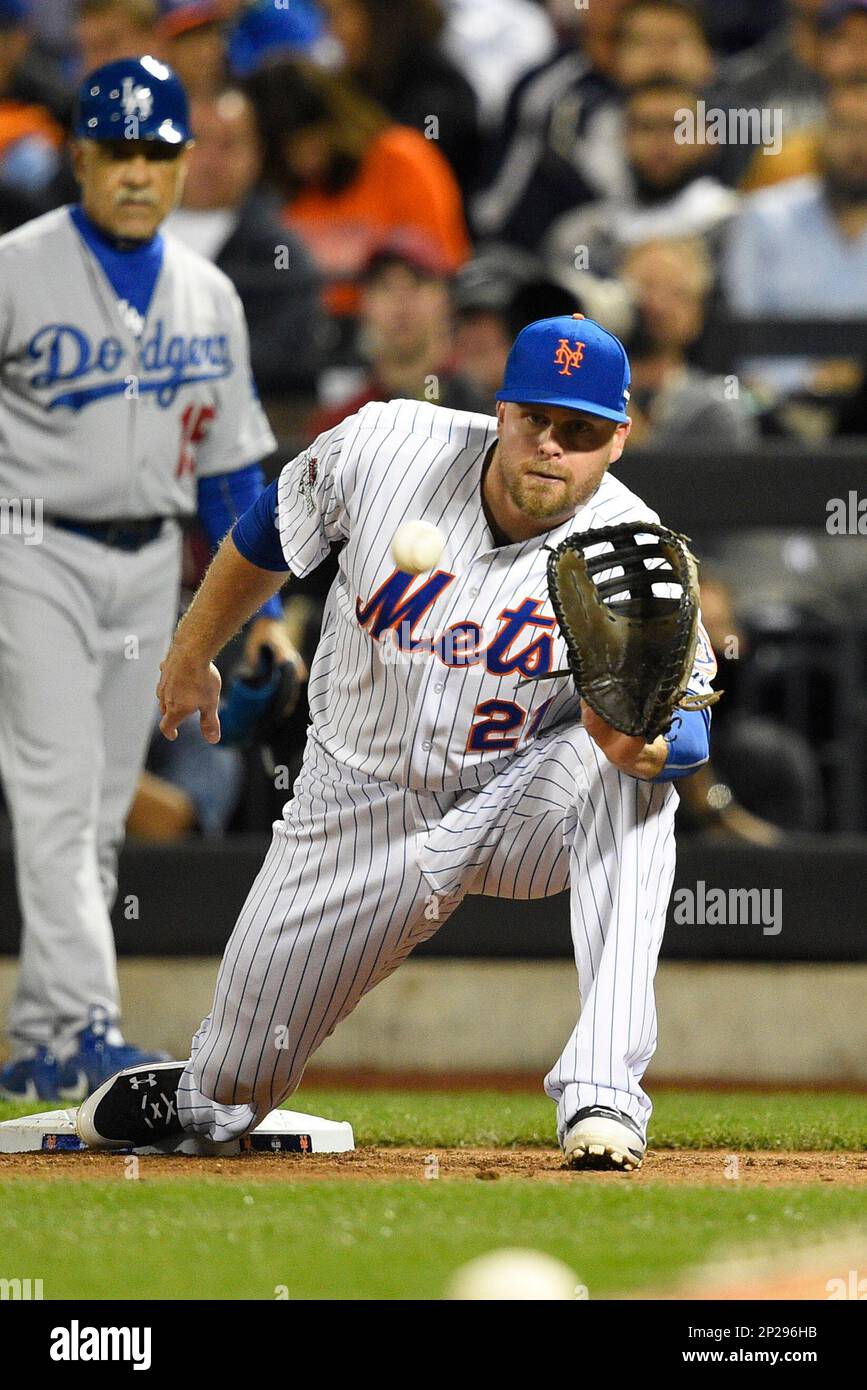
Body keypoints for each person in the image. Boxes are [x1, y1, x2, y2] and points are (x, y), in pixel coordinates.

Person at [75, 313, 716, 1174]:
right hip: (352, 806)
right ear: (502, 410)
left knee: (628, 784)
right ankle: (197, 1090)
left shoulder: (635, 550)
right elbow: (269, 532)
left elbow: (691, 720)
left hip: (513, 801)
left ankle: (602, 1093)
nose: (552, 446)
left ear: (619, 440)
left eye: (581, 431)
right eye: (537, 419)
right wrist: (192, 653)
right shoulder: (386, 445)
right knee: (234, 1087)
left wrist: (653, 747)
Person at [0, 56, 299, 1103]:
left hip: (145, 571)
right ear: (79, 156)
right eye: (117, 151)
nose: (136, 172)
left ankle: (42, 1031)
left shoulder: (208, 294)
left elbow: (230, 474)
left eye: (156, 153)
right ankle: (88, 1018)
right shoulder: (15, 267)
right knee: (55, 792)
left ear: (181, 165)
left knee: (96, 805)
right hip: (27, 548)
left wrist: (250, 617)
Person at [245, 59, 470, 324]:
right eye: (286, 147)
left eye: (311, 136)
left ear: (336, 122)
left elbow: (438, 273)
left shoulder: (400, 160)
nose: (302, 158)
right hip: (299, 335)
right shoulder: (269, 190)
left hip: (391, 334)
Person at [165, 86, 325, 397]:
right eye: (197, 143)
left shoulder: (279, 256)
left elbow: (286, 359)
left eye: (228, 145)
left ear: (257, 153)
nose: (210, 161)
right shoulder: (125, 236)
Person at [317, 0, 480, 190]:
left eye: (335, 16)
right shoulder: (359, 81)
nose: (329, 31)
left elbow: (397, 181)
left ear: (380, 17)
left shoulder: (439, 98)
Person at [620, 237, 759, 446]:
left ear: (698, 314)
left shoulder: (713, 407)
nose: (658, 305)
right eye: (645, 288)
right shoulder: (580, 385)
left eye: (676, 293)